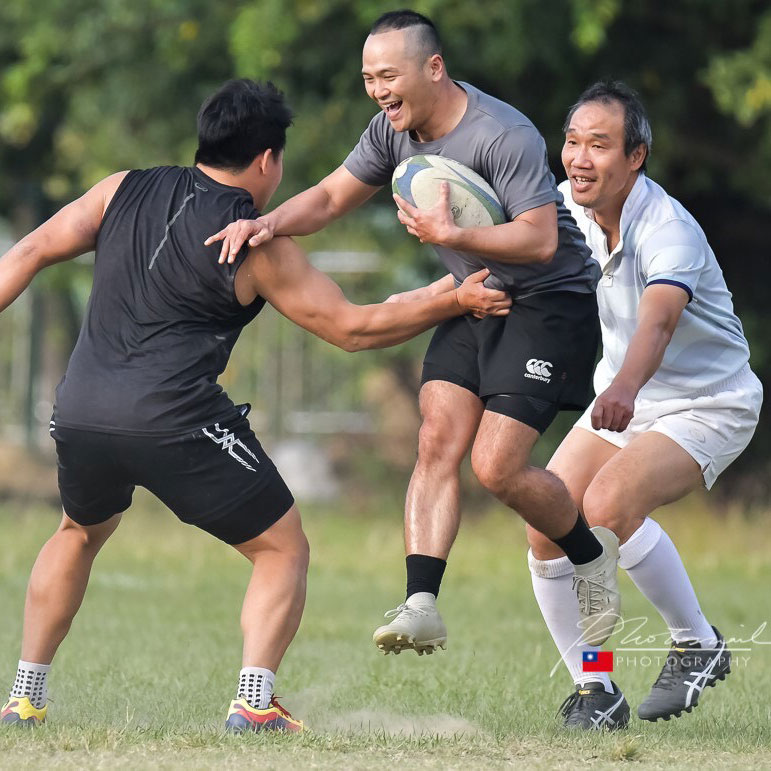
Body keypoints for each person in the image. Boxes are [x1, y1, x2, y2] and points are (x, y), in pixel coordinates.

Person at [0, 78, 511, 732]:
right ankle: (253, 699)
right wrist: (452, 297)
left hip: (80, 407)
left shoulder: (120, 187)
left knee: (77, 531)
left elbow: (32, 248)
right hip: (173, 416)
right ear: (268, 160)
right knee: (281, 548)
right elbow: (352, 327)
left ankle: (23, 695)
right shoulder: (255, 241)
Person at [205, 9, 621, 657]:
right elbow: (331, 197)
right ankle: (421, 602)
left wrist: (451, 236)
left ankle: (590, 557)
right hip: (472, 290)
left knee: (496, 466)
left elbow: (540, 240)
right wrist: (265, 224)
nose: (377, 89)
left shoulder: (500, 133)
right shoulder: (387, 131)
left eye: (388, 75)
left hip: (549, 300)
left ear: (433, 67)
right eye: (369, 77)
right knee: (434, 437)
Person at [526, 80, 762, 730]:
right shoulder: (571, 210)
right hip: (623, 395)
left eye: (598, 144)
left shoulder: (667, 228)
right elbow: (513, 237)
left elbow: (656, 323)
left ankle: (697, 643)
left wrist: (624, 388)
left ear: (636, 156)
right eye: (571, 141)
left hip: (706, 404)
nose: (578, 157)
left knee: (603, 508)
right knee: (546, 520)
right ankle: (593, 688)